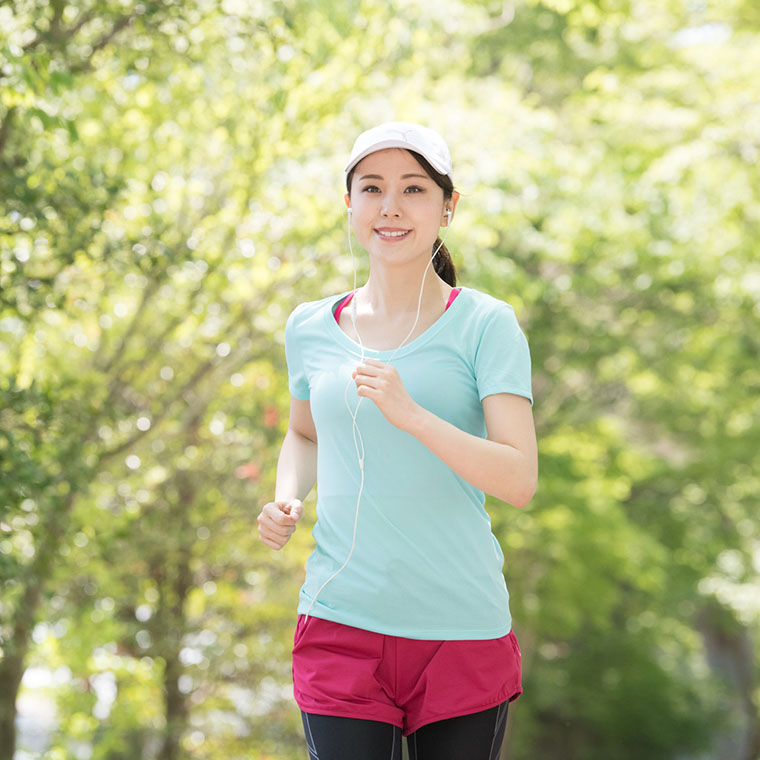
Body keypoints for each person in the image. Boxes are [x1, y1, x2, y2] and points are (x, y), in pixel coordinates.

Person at [257, 121, 537, 760]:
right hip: (341, 620)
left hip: (461, 629)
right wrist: (286, 497)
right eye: (372, 188)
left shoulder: (485, 324)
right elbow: (304, 435)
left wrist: (412, 414)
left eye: (413, 188)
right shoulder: (309, 326)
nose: (390, 206)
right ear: (348, 203)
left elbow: (519, 479)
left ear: (448, 207)